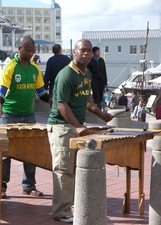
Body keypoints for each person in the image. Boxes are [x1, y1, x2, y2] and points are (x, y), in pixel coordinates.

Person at [47, 39, 112, 223]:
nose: (87, 53)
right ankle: (61, 211)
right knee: (63, 170)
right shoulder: (66, 74)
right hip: (61, 126)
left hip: (75, 125)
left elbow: (88, 101)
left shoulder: (87, 74)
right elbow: (61, 104)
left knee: (76, 169)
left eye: (89, 51)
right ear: (74, 52)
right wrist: (77, 126)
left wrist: (101, 114)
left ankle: (75, 206)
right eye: (82, 50)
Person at [0, 36, 52, 199]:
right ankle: (1, 186)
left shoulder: (34, 69)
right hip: (8, 115)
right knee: (5, 154)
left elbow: (40, 92)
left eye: (32, 50)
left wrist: (52, 101)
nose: (30, 53)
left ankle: (29, 186)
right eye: (27, 50)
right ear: (19, 49)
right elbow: (2, 91)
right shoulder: (10, 67)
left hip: (28, 115)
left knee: (31, 153)